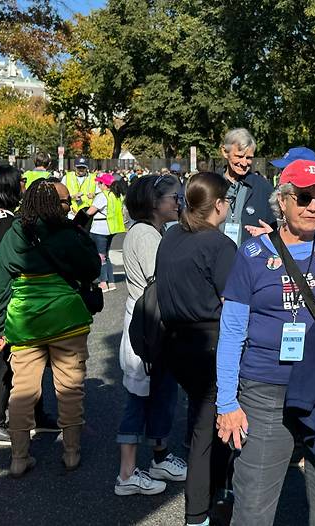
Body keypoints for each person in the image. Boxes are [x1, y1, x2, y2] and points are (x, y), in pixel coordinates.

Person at [216, 160, 315, 526]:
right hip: (266, 390)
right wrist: (226, 401)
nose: (314, 206)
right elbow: (232, 331)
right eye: (303, 197)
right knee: (253, 506)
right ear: (282, 201)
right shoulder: (253, 255)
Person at [0, 179, 100, 477]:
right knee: (70, 388)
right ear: (55, 206)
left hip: (24, 323)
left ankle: (18, 458)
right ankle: (72, 453)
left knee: (22, 391)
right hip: (68, 321)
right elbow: (91, 268)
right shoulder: (67, 234)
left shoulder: (15, 233)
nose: (69, 206)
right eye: (66, 202)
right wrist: (79, 227)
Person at [156, 172, 237, 526]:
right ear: (218, 204)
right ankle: (197, 514)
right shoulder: (218, 245)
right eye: (228, 201)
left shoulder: (173, 235)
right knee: (207, 430)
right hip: (210, 343)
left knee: (202, 421)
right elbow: (232, 302)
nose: (229, 206)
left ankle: (217, 490)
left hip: (175, 342)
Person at [115, 174, 186, 496]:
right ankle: (126, 474)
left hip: (153, 323)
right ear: (155, 202)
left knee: (160, 393)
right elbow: (162, 278)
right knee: (138, 397)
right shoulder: (145, 235)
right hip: (147, 325)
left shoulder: (152, 232)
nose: (179, 203)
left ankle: (159, 456)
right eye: (174, 197)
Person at [0, 165, 59, 445]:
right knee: (11, 360)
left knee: (25, 357)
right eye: (19, 184)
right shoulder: (8, 224)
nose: (22, 188)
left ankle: (36, 414)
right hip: (4, 299)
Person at [219, 128, 275, 246]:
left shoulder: (263, 188)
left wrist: (269, 235)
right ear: (225, 152)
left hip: (251, 260)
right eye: (239, 156)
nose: (244, 163)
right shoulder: (210, 186)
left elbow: (275, 229)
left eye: (249, 158)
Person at [85, 173, 126, 292]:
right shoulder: (116, 195)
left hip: (99, 229)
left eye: (99, 183)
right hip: (111, 228)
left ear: (104, 184)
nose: (98, 184)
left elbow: (90, 212)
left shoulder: (102, 196)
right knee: (105, 256)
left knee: (100, 257)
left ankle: (103, 283)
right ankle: (111, 282)